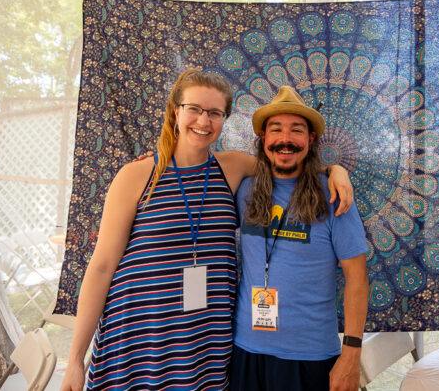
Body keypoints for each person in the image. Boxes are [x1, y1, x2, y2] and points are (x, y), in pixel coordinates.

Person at [61, 70, 353, 391]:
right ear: (177, 111)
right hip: (139, 334)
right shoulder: (136, 175)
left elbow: (287, 161)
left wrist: (335, 170)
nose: (204, 120)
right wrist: (76, 359)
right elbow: (102, 267)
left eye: (215, 113)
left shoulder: (232, 168)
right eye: (195, 109)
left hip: (202, 340)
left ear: (224, 119)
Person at [230, 86, 369, 391]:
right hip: (246, 350)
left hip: (311, 356)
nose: (285, 139)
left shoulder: (334, 197)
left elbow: (357, 278)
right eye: (276, 129)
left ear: (311, 140)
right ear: (263, 139)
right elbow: (189, 172)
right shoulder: (244, 191)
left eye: (297, 130)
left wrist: (351, 355)